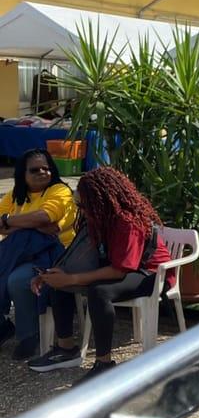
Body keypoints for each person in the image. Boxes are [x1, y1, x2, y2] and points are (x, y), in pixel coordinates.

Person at [28, 167, 173, 380]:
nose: (82, 210)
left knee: (100, 292)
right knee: (58, 284)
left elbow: (120, 269)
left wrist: (73, 278)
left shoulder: (127, 222)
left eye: (84, 206)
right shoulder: (99, 218)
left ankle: (104, 363)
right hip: (120, 268)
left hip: (151, 273)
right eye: (79, 205)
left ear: (100, 201)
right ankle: (66, 349)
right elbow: (83, 255)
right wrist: (57, 274)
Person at [0, 149, 77, 360]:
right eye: (35, 170)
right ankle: (3, 327)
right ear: (22, 174)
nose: (42, 172)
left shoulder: (60, 191)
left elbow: (46, 219)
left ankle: (29, 336)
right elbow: (5, 224)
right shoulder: (16, 194)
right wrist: (30, 224)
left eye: (47, 168)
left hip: (55, 254)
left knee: (16, 280)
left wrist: (10, 221)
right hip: (20, 253)